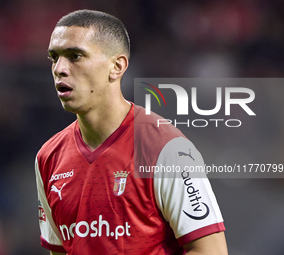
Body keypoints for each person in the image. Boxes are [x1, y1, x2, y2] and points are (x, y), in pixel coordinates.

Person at [35, 9, 228, 255]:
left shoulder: (167, 149)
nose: (60, 68)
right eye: (54, 57)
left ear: (117, 66)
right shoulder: (49, 157)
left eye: (75, 56)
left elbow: (211, 251)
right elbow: (60, 251)